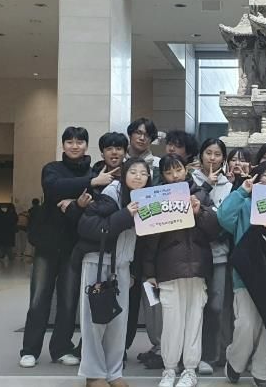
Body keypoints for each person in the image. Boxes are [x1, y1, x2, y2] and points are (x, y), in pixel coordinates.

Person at [19, 126, 116, 368]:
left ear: (86, 145)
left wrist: (77, 200)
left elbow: (96, 199)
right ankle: (30, 350)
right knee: (39, 299)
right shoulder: (52, 169)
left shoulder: (94, 169)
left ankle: (61, 348)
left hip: (74, 246)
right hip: (47, 245)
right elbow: (53, 189)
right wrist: (91, 182)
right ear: (63, 145)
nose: (75, 146)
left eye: (79, 142)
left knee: (69, 300)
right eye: (70, 141)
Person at [217, 160, 266, 387]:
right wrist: (242, 190)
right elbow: (223, 217)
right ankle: (235, 361)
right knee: (246, 324)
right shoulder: (245, 203)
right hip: (247, 274)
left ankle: (263, 371)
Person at [74, 158, 153, 387]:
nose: (138, 177)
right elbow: (88, 227)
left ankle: (114, 373)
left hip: (123, 267)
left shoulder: (146, 200)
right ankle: (93, 374)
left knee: (119, 323)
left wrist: (134, 271)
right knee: (95, 322)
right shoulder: (109, 196)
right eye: (133, 172)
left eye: (144, 173)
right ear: (124, 174)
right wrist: (125, 214)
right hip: (98, 264)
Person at [143, 154, 220, 387]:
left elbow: (215, 231)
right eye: (168, 172)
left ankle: (189, 370)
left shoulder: (201, 195)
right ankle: (169, 369)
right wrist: (150, 273)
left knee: (194, 320)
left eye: (177, 170)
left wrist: (200, 212)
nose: (174, 176)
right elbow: (149, 242)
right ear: (163, 176)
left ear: (185, 170)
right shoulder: (155, 199)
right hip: (168, 269)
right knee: (171, 322)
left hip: (197, 268)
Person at [191, 139, 233, 375]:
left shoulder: (229, 186)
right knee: (194, 307)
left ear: (223, 159)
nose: (213, 158)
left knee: (216, 307)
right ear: (201, 155)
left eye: (218, 154)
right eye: (208, 153)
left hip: (219, 254)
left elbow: (229, 219)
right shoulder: (189, 181)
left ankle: (211, 354)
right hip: (193, 254)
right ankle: (192, 355)